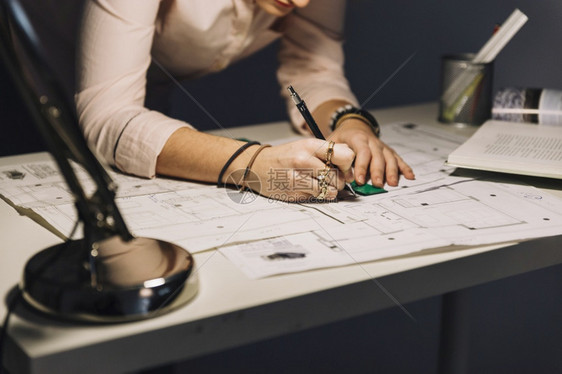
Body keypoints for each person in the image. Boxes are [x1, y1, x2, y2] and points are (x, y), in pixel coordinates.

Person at [75, 0, 415, 202]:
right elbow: (109, 113)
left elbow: (314, 71)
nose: (300, 3)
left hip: (149, 95)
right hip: (57, 70)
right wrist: (253, 165)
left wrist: (349, 121)